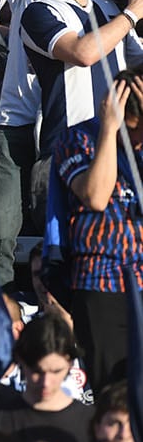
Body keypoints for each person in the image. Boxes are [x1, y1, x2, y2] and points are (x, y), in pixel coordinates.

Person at [51, 68, 143, 389]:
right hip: (102, 284)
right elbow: (96, 196)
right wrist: (108, 131)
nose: (135, 142)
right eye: (130, 132)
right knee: (112, 392)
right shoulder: (78, 138)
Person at [22, 0, 143, 157]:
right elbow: (82, 53)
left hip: (116, 148)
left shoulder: (109, 7)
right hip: (69, 148)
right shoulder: (39, 12)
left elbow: (138, 63)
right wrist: (132, 14)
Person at [0, 315, 96, 442]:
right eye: (37, 372)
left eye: (56, 371)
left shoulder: (92, 422)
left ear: (70, 363)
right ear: (20, 360)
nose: (46, 382)